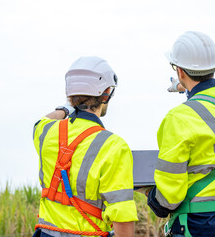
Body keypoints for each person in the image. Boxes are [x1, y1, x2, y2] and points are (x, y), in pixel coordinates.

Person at [147, 31, 215, 236]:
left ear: (180, 71)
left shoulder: (179, 117)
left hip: (198, 225)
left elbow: (169, 198)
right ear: (214, 67)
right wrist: (186, 87)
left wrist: (152, 197)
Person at [32, 56, 138, 237]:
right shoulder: (114, 146)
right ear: (106, 93)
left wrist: (66, 108)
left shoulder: (45, 133)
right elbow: (122, 214)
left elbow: (40, 122)